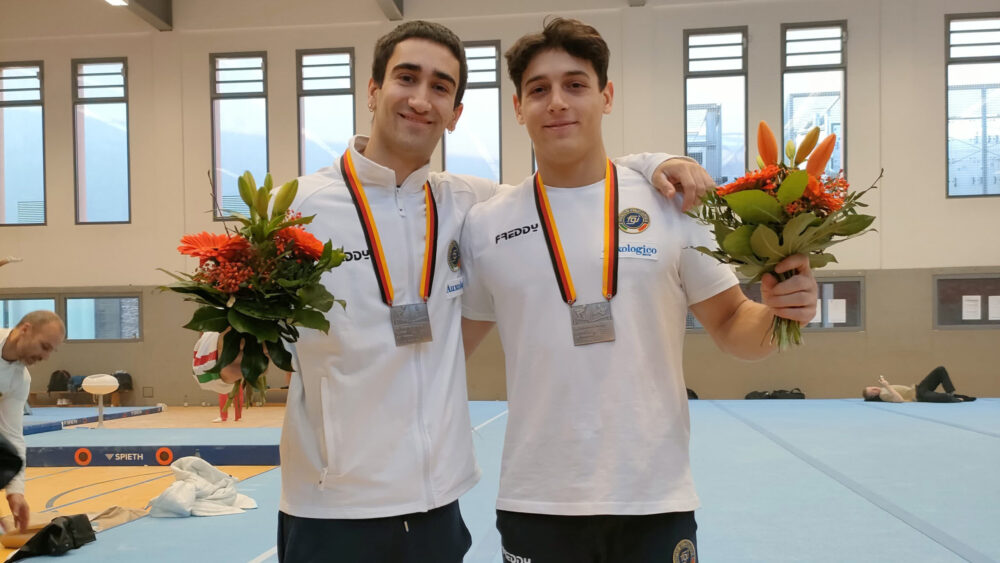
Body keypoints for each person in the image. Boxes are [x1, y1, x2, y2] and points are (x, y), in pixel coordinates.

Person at [194, 20, 715, 563]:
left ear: (455, 112)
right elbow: (210, 361)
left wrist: (657, 163)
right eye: (407, 78)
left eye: (441, 87)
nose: (421, 99)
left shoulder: (469, 204)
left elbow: (576, 179)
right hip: (331, 506)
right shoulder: (294, 207)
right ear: (373, 89)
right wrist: (226, 360)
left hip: (437, 504)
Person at [460, 18, 819, 563]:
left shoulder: (669, 204)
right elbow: (446, 351)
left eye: (576, 85)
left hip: (654, 497)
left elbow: (730, 325)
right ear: (518, 107)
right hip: (537, 498)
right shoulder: (486, 225)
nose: (557, 101)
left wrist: (780, 314)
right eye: (539, 89)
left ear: (606, 96)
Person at [0, 310, 65, 532]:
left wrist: (15, 492)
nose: (46, 357)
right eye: (44, 347)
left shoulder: (19, 379)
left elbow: (12, 435)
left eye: (51, 351)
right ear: (25, 330)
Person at [863, 367, 976, 403]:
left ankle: (951, 392)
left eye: (872, 387)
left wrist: (886, 385)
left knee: (940, 370)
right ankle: (955, 398)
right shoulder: (883, 395)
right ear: (873, 395)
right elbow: (900, 400)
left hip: (919, 388)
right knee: (945, 398)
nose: (874, 388)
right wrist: (887, 386)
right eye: (872, 390)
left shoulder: (884, 389)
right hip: (919, 396)